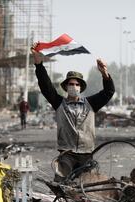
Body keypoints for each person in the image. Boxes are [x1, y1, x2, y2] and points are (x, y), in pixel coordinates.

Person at [31, 43, 115, 182]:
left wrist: (105, 74)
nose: (74, 86)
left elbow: (108, 92)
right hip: (66, 153)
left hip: (87, 153)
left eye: (77, 84)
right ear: (65, 87)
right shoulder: (59, 103)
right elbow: (46, 86)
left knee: (88, 188)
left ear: (80, 88)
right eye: (71, 84)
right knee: (61, 185)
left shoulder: (91, 104)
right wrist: (39, 64)